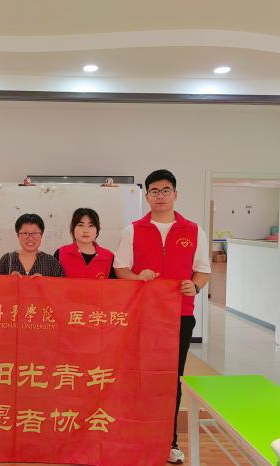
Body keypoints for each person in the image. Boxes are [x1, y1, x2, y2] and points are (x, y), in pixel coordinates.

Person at [114, 169, 211, 465]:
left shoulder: (193, 230)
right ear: (146, 196)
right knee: (139, 377)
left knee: (170, 380)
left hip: (180, 317)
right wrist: (137, 277)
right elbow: (120, 269)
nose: (160, 196)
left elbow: (203, 271)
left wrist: (194, 286)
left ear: (175, 194)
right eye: (154, 191)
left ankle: (169, 441)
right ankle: (135, 436)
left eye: (165, 190)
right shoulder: (133, 230)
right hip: (143, 316)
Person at [54, 207, 116, 279]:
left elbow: (114, 285)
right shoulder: (61, 253)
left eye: (91, 226)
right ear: (73, 229)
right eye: (80, 225)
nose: (85, 231)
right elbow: (51, 283)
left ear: (97, 230)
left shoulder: (108, 257)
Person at [0, 213, 63, 277]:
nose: (30, 238)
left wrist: (44, 282)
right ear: (18, 235)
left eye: (35, 233)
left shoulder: (52, 262)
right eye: (25, 233)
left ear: (41, 235)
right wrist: (9, 280)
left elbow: (60, 285)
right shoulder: (7, 260)